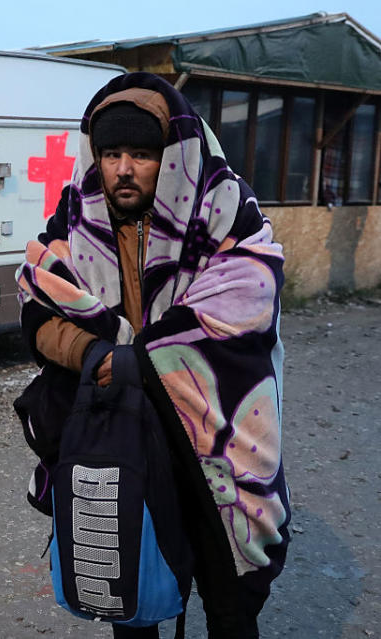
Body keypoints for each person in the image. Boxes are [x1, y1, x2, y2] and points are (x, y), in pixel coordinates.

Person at [16, 72, 290, 638]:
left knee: (229, 599)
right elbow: (39, 304)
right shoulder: (74, 215)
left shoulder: (224, 212)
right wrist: (94, 352)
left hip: (210, 438)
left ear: (170, 158)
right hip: (121, 435)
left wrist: (140, 361)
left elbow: (248, 298)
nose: (122, 168)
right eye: (111, 152)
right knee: (130, 592)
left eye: (140, 154)